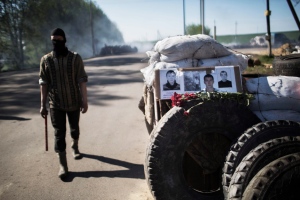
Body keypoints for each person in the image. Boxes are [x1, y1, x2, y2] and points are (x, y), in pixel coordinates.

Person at [39, 28, 88, 179]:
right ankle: (63, 165)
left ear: (64, 40)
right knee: (59, 133)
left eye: (58, 40)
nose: (56, 43)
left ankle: (75, 145)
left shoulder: (75, 58)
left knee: (74, 128)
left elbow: (82, 80)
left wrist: (84, 100)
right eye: (53, 40)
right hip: (55, 104)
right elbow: (43, 83)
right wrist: (42, 104)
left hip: (74, 101)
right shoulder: (46, 60)